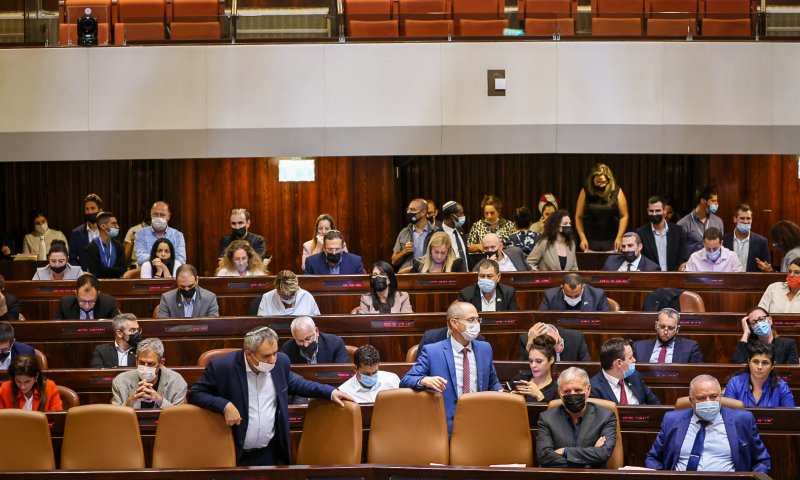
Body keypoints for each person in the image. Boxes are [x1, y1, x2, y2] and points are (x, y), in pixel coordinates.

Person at [188, 326, 354, 465]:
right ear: (248, 354)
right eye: (266, 356)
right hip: (233, 450)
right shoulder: (223, 367)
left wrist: (330, 392)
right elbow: (196, 393)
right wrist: (225, 405)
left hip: (268, 451)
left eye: (275, 352)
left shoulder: (281, 361)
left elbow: (296, 383)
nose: (273, 360)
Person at [400, 301, 503, 433]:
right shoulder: (433, 351)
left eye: (478, 319)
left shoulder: (485, 348)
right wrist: (423, 380)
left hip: (479, 421)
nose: (476, 324)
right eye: (471, 320)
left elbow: (492, 382)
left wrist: (502, 393)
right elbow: (406, 380)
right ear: (454, 323)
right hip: (444, 425)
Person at [645, 374, 771, 472]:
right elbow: (653, 458)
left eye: (713, 396)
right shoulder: (672, 420)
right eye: (701, 398)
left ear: (721, 396)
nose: (708, 402)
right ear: (691, 400)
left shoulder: (743, 420)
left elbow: (763, 460)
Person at [535, 367, 617, 468]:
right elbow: (544, 457)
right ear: (560, 393)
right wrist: (591, 458)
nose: (572, 395)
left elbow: (603, 454)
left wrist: (565, 451)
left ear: (588, 390)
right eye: (567, 391)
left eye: (578, 390)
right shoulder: (547, 418)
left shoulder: (605, 416)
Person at [111, 338, 188, 409]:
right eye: (141, 363)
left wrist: (160, 400)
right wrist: (129, 402)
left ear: (161, 363)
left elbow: (178, 416)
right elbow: (116, 417)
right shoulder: (120, 381)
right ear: (136, 360)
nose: (145, 368)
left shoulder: (177, 381)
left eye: (151, 364)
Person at [590, 337, 661, 405]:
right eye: (630, 358)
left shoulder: (635, 376)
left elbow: (655, 403)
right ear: (619, 363)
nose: (634, 360)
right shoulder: (594, 388)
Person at [575, 163, 629, 252]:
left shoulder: (616, 191)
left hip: (612, 241)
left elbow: (624, 216)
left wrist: (619, 237)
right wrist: (582, 238)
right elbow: (578, 217)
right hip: (590, 242)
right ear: (592, 180)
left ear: (609, 179)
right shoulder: (585, 191)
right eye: (597, 182)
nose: (600, 185)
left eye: (603, 182)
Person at [724, 343, 794, 408]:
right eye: (755, 362)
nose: (759, 367)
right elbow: (729, 415)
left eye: (765, 363)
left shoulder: (781, 387)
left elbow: (789, 417)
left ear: (772, 365)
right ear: (749, 362)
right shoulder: (734, 383)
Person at [637, 196, 689, 272]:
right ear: (648, 211)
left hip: (674, 277)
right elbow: (641, 259)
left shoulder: (678, 231)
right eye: (651, 211)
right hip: (651, 278)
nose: (654, 214)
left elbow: (683, 256)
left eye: (658, 211)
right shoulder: (641, 233)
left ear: (664, 210)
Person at [632, 308, 704, 363]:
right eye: (662, 327)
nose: (665, 332)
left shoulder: (690, 347)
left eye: (670, 328)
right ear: (656, 326)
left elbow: (696, 374)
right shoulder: (639, 347)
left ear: (677, 329)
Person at [732, 307, 798, 364]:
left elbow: (792, 372)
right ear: (750, 327)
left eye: (761, 319)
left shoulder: (788, 344)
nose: (759, 324)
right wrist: (746, 333)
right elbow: (737, 364)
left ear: (770, 320)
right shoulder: (748, 345)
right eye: (753, 322)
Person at [722, 204, 772, 272]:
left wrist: (766, 268)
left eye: (748, 218)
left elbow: (767, 267)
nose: (745, 222)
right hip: (730, 281)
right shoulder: (724, 240)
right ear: (735, 219)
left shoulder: (761, 241)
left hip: (752, 281)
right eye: (742, 218)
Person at [280, 316, 350, 365]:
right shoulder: (287, 349)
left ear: (316, 331)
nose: (305, 345)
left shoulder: (335, 343)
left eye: (308, 339)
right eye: (300, 341)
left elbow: (342, 374)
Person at [134, 201, 187, 265]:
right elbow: (140, 259)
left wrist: (156, 259)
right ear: (151, 215)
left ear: (169, 216)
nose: (158, 217)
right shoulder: (140, 234)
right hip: (148, 271)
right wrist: (165, 258)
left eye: (162, 215)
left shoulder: (177, 235)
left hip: (171, 272)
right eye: (155, 214)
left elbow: (181, 260)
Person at [511, 334, 559, 403]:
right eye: (530, 361)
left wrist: (539, 396)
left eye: (538, 361)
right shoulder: (520, 379)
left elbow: (553, 413)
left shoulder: (556, 390)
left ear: (551, 360)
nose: (533, 365)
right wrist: (510, 397)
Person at [391, 198, 434, 272]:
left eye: (413, 210)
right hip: (408, 277)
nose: (408, 212)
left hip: (428, 276)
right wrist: (404, 252)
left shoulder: (435, 232)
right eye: (408, 209)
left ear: (423, 212)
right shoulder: (404, 232)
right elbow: (394, 261)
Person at [678, 187, 724, 254]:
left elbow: (721, 246)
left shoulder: (718, 221)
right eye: (713, 201)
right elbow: (679, 251)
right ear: (703, 201)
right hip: (693, 263)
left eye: (716, 201)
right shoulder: (683, 224)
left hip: (714, 263)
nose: (717, 204)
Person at [54, 274, 120, 320]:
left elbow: (119, 327)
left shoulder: (109, 303)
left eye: (91, 301)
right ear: (76, 294)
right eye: (82, 301)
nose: (86, 306)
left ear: (98, 294)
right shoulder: (65, 304)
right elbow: (57, 329)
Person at [426, 201, 469, 271]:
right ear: (452, 216)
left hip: (467, 277)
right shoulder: (436, 235)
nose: (463, 216)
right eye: (460, 214)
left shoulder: (460, 230)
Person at [517, 322, 591, 362]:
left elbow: (587, 368)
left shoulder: (576, 338)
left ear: (556, 332)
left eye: (559, 342)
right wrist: (529, 346)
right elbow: (524, 371)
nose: (559, 348)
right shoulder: (526, 341)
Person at [84, 212, 127, 279]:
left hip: (117, 284)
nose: (117, 226)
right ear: (103, 226)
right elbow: (95, 272)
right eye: (114, 224)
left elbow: (123, 270)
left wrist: (104, 269)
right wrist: (114, 270)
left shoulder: (119, 246)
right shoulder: (90, 248)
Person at [540, 273, 610, 311]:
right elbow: (542, 319)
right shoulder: (550, 295)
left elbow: (606, 321)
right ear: (562, 287)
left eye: (576, 295)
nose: (573, 298)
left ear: (583, 287)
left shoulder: (598, 295)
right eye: (569, 295)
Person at [69, 193, 104, 269]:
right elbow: (72, 259)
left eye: (92, 208)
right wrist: (81, 274)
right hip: (84, 277)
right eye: (87, 209)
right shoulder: (76, 233)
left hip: (107, 277)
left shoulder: (109, 231)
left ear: (100, 211)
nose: (90, 212)